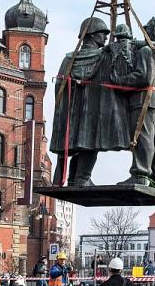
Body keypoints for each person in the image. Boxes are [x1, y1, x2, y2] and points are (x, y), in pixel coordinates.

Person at [50, 17, 131, 186]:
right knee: (90, 142)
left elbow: (59, 85)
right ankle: (82, 178)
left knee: (74, 143)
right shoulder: (104, 56)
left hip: (71, 111)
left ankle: (68, 178)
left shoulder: (69, 59)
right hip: (92, 110)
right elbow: (118, 76)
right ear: (93, 35)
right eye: (102, 33)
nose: (105, 37)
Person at [113, 17, 155, 189]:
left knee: (144, 138)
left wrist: (119, 80)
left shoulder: (147, 51)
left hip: (146, 100)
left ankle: (140, 174)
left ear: (154, 31)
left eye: (147, 30)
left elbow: (142, 77)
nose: (145, 33)